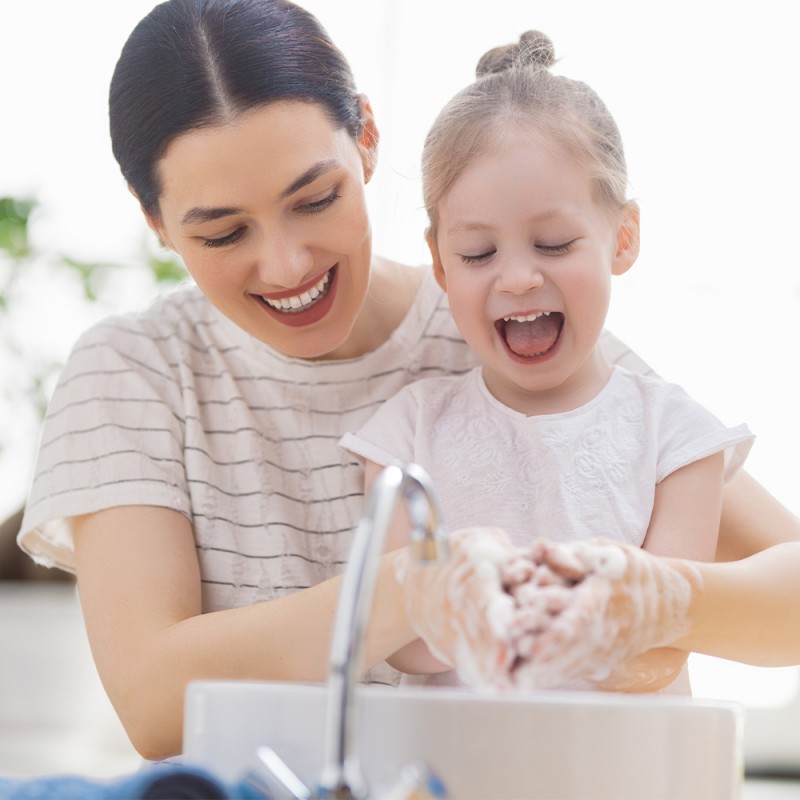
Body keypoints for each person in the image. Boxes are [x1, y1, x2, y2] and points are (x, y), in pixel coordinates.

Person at [12, 0, 800, 762]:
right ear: (155, 220)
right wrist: (400, 597)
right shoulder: (137, 372)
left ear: (367, 139)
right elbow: (154, 704)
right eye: (223, 231)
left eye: (315, 199)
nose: (288, 265)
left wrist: (666, 601)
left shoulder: (506, 332)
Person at [340, 30, 754, 693]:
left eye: (555, 243)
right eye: (478, 254)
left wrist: (600, 615)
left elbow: (662, 653)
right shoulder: (405, 435)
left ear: (623, 238)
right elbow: (397, 645)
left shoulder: (677, 438)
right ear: (441, 262)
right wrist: (458, 607)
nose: (520, 278)